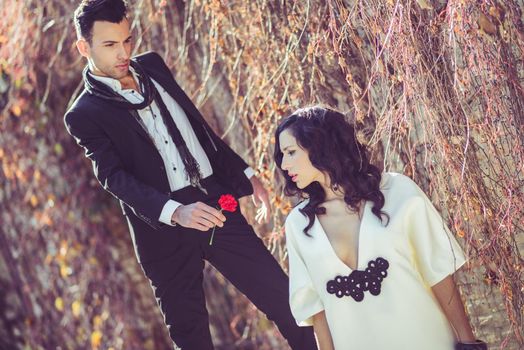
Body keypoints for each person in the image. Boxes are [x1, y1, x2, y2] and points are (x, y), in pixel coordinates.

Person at [64, 1, 318, 349]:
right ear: (84, 47)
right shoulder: (83, 113)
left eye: (127, 40)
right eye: (110, 45)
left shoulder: (152, 65)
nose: (124, 52)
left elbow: (196, 128)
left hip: (213, 204)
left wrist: (243, 173)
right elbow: (113, 177)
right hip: (162, 231)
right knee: (192, 338)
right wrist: (175, 212)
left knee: (284, 300)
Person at [274, 106, 488, 350]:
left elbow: (438, 271)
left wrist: (468, 343)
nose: (283, 163)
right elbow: (317, 309)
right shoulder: (299, 224)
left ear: (319, 145)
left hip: (426, 338)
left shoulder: (397, 192)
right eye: (281, 154)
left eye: (290, 152)